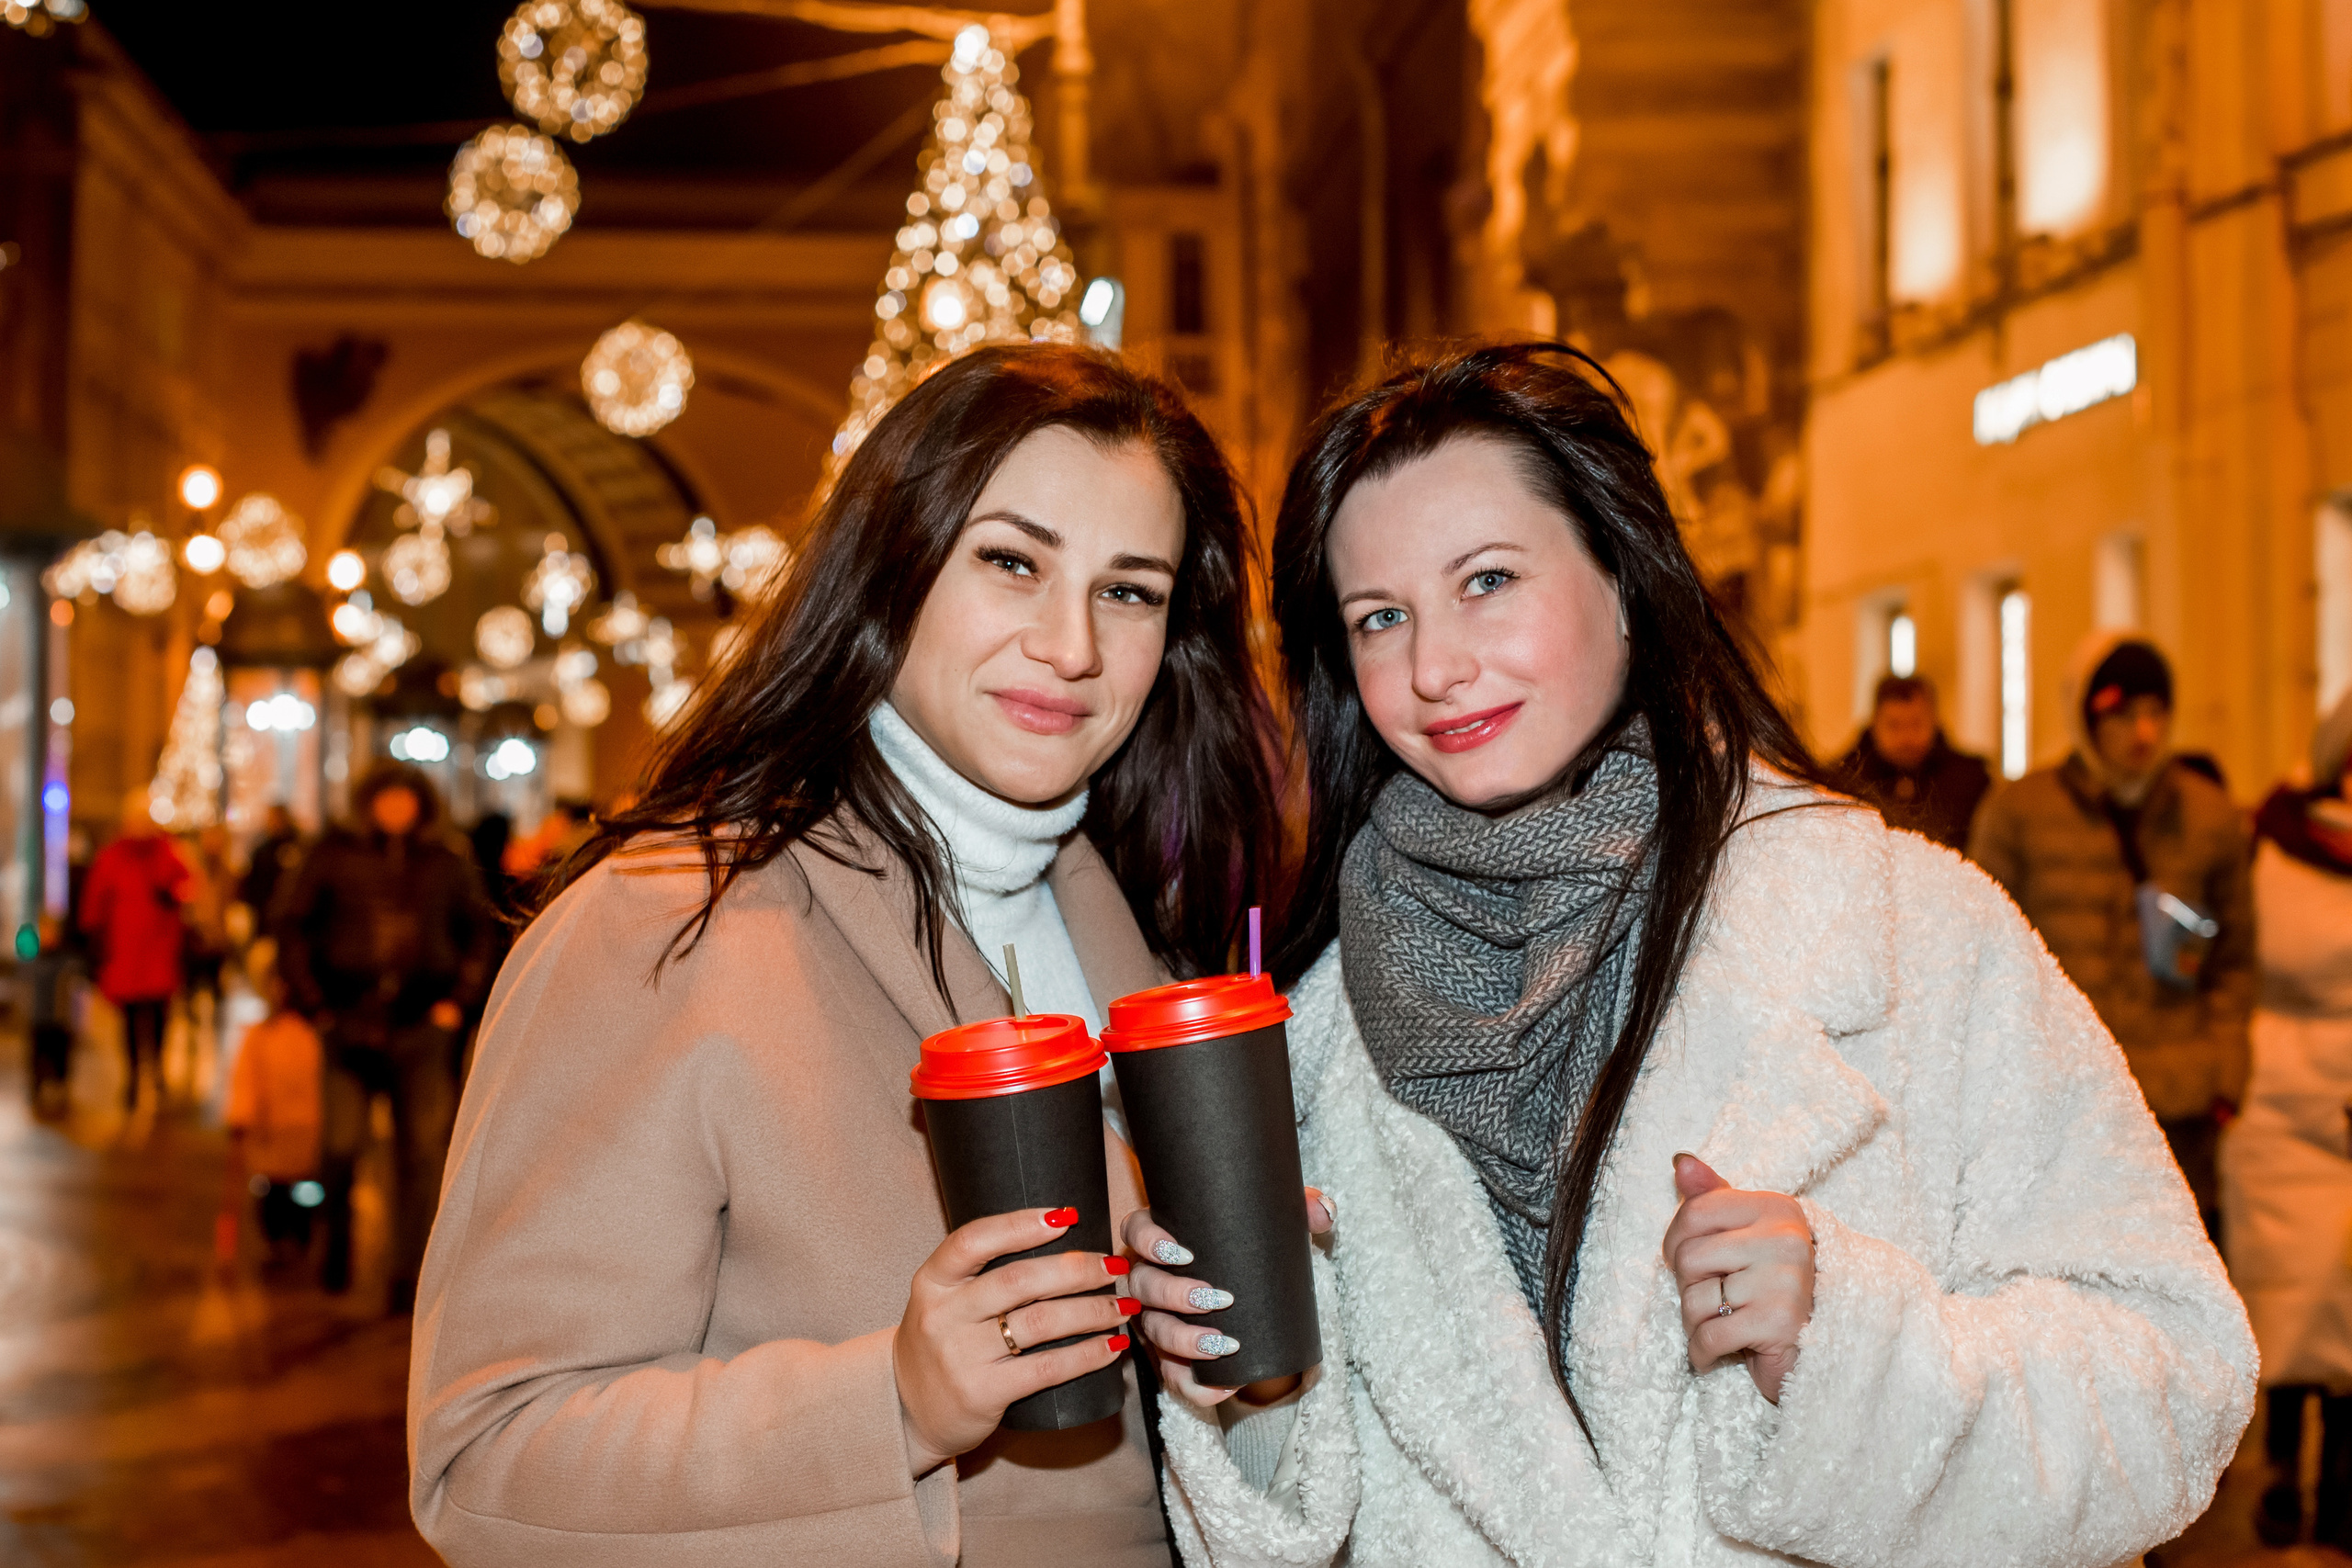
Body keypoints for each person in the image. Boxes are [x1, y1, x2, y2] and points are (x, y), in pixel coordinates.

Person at [1125, 344, 2255, 1567]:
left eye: (1488, 580)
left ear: (1622, 575)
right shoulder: (1313, 1041)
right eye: (1379, 617)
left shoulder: (1905, 928)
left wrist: (1852, 1350)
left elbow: (2179, 1373)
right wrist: (1236, 1392)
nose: (1435, 665)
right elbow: (1285, 1530)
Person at [408, 344, 1282, 1566]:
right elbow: (487, 1457)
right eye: (1011, 561)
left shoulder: (1138, 921)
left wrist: (1242, 1348)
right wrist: (896, 1400)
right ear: (893, 568)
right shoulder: (668, 920)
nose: (1072, 643)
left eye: (1128, 590)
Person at [1971, 632, 2256, 1237]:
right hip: (2064, 1103)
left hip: (2181, 1105)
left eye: (2157, 713)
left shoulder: (2208, 818)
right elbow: (1982, 955)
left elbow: (2234, 959)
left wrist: (2223, 1071)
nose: (2144, 733)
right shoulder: (2020, 814)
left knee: (2185, 1280)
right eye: (2124, 715)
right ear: (2087, 715)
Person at [276, 762, 493, 1306]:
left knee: (421, 1154)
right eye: (386, 799)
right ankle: (336, 1251)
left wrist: (457, 1004)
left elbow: (481, 931)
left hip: (422, 1027)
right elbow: (292, 924)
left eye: (406, 799)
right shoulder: (332, 855)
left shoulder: (447, 862)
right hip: (346, 1023)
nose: (396, 810)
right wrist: (315, 1004)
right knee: (340, 1145)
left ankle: (409, 1273)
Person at [2221, 689, 2352, 1548]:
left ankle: (2341, 1481)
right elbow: (2241, 952)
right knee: (2292, 1302)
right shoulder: (2273, 840)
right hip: (2282, 1099)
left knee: (2349, 1304)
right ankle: (2278, 1470)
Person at [80, 795, 191, 1111]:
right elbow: (95, 904)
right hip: (126, 954)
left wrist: (172, 895)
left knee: (158, 1017)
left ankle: (154, 1070)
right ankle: (134, 1075)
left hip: (158, 952)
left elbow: (187, 887)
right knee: (129, 1020)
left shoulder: (167, 853)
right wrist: (94, 941)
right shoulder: (113, 857)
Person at [225, 947, 326, 1272]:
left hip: (308, 1132)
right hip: (271, 1133)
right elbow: (246, 1078)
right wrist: (241, 1116)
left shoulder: (317, 1033)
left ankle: (301, 1241)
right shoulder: (261, 1035)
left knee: (306, 1194)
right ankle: (276, 1242)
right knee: (271, 1194)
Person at [1833, 673, 1991, 851]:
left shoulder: (1969, 780)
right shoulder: (1843, 780)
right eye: (1894, 725)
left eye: (1916, 724)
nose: (1906, 738)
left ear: (1934, 721)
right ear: (1875, 723)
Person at [18, 915, 78, 1116]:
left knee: (60, 1056)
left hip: (60, 1018)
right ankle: (37, 1090)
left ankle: (61, 1089)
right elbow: (24, 984)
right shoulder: (32, 959)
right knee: (37, 1057)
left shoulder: (67, 959)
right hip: (38, 1018)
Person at [237, 803, 304, 940]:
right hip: (266, 917)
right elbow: (252, 885)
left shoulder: (299, 848)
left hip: (291, 920)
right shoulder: (262, 852)